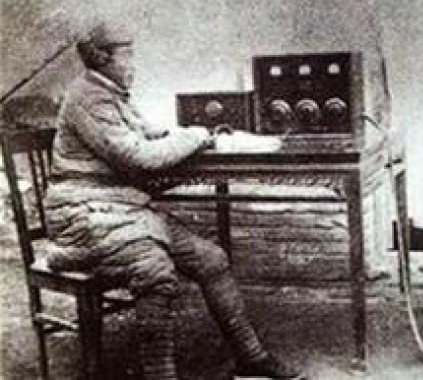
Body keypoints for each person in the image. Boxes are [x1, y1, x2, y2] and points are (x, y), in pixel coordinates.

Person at [43, 21, 303, 380]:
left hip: (122, 211)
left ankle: (251, 358)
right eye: (126, 55)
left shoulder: (112, 94)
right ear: (101, 58)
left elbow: (151, 134)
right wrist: (196, 136)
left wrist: (197, 136)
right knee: (154, 270)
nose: (133, 64)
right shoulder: (87, 97)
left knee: (211, 259)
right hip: (83, 215)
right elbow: (137, 157)